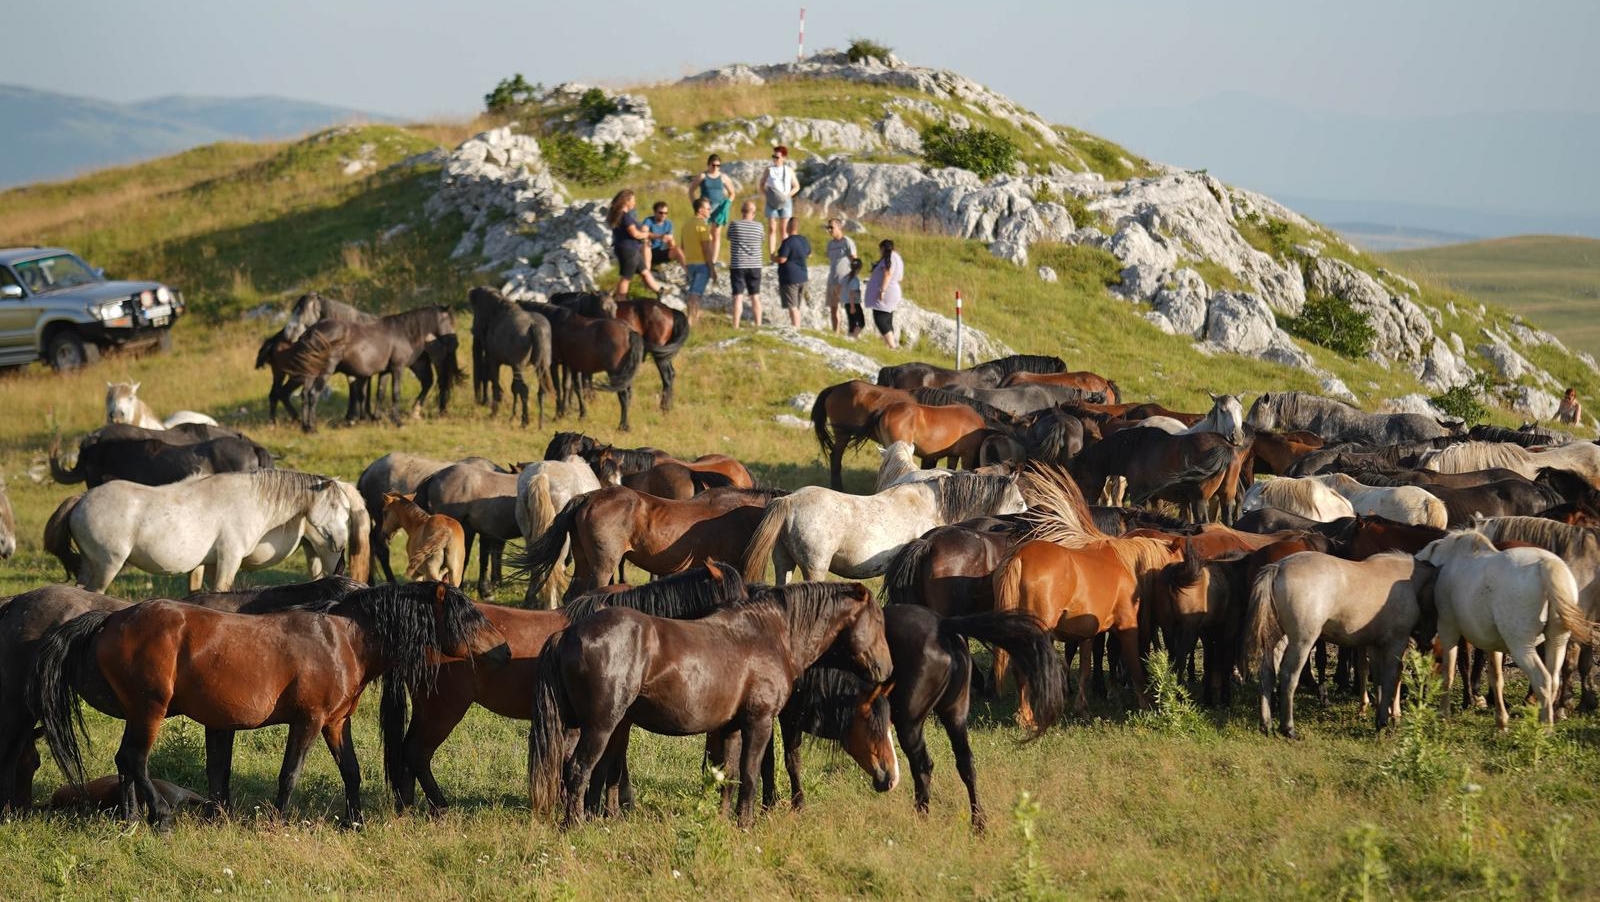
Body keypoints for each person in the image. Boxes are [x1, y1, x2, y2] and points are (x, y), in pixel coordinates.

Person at [606, 189, 664, 299]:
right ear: (626, 202)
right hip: (629, 250)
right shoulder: (625, 217)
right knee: (626, 278)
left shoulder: (620, 215)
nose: (634, 203)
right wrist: (645, 235)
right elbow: (634, 233)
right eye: (633, 200)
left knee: (645, 272)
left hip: (630, 249)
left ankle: (660, 291)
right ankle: (621, 300)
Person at [688, 154, 733, 265]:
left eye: (718, 165)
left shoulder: (723, 177)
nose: (715, 168)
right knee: (702, 233)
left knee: (716, 233)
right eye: (713, 165)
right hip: (705, 208)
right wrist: (695, 205)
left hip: (720, 207)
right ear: (708, 164)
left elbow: (732, 193)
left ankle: (713, 260)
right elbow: (691, 191)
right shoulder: (703, 176)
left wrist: (727, 203)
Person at [726, 201, 765, 328]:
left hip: (738, 265)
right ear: (753, 213)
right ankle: (758, 324)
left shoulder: (734, 224)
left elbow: (729, 237)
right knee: (755, 297)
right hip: (755, 265)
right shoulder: (759, 226)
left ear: (742, 211)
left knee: (738, 297)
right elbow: (762, 239)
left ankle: (735, 326)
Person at [682, 197, 719, 326]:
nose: (710, 211)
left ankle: (693, 320)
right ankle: (692, 323)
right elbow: (706, 249)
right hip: (701, 264)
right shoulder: (701, 225)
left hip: (690, 263)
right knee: (695, 295)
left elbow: (682, 246)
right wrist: (712, 268)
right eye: (708, 209)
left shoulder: (686, 225)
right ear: (700, 210)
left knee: (693, 293)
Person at [761, 145, 800, 258]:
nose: (775, 159)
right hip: (772, 200)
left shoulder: (789, 170)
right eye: (773, 156)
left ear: (783, 158)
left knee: (784, 229)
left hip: (785, 201)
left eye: (777, 157)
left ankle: (785, 254)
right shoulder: (769, 170)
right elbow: (761, 184)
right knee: (772, 228)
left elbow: (796, 186)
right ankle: (772, 255)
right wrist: (767, 195)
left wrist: (788, 195)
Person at [864, 238, 904, 349]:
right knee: (887, 317)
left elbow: (887, 274)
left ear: (883, 248)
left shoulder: (889, 257)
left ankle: (892, 345)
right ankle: (888, 345)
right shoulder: (897, 257)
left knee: (880, 318)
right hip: (893, 290)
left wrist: (882, 290)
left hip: (887, 291)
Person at [773, 219, 812, 328]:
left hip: (790, 278)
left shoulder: (787, 242)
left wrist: (773, 258)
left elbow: (782, 259)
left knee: (792, 306)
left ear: (788, 227)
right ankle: (797, 326)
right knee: (797, 306)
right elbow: (809, 254)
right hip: (803, 277)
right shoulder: (804, 240)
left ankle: (796, 328)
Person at [824, 218, 859, 334]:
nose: (829, 230)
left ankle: (854, 332)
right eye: (828, 228)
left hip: (845, 281)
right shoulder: (830, 244)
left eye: (831, 227)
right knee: (833, 308)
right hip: (832, 280)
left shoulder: (847, 242)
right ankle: (836, 333)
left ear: (839, 227)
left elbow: (855, 261)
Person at [641, 201, 685, 269]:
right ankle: (647, 273)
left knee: (678, 249)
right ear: (655, 212)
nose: (663, 215)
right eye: (661, 213)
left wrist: (671, 242)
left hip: (661, 251)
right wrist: (659, 237)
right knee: (646, 243)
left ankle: (689, 273)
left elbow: (671, 243)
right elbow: (643, 232)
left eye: (666, 213)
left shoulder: (668, 223)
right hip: (649, 251)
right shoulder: (649, 221)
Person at [841, 256, 865, 338]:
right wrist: (852, 306)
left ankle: (850, 336)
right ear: (860, 268)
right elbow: (852, 293)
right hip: (854, 303)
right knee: (861, 323)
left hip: (846, 302)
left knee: (852, 323)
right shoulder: (855, 279)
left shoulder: (845, 277)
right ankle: (853, 337)